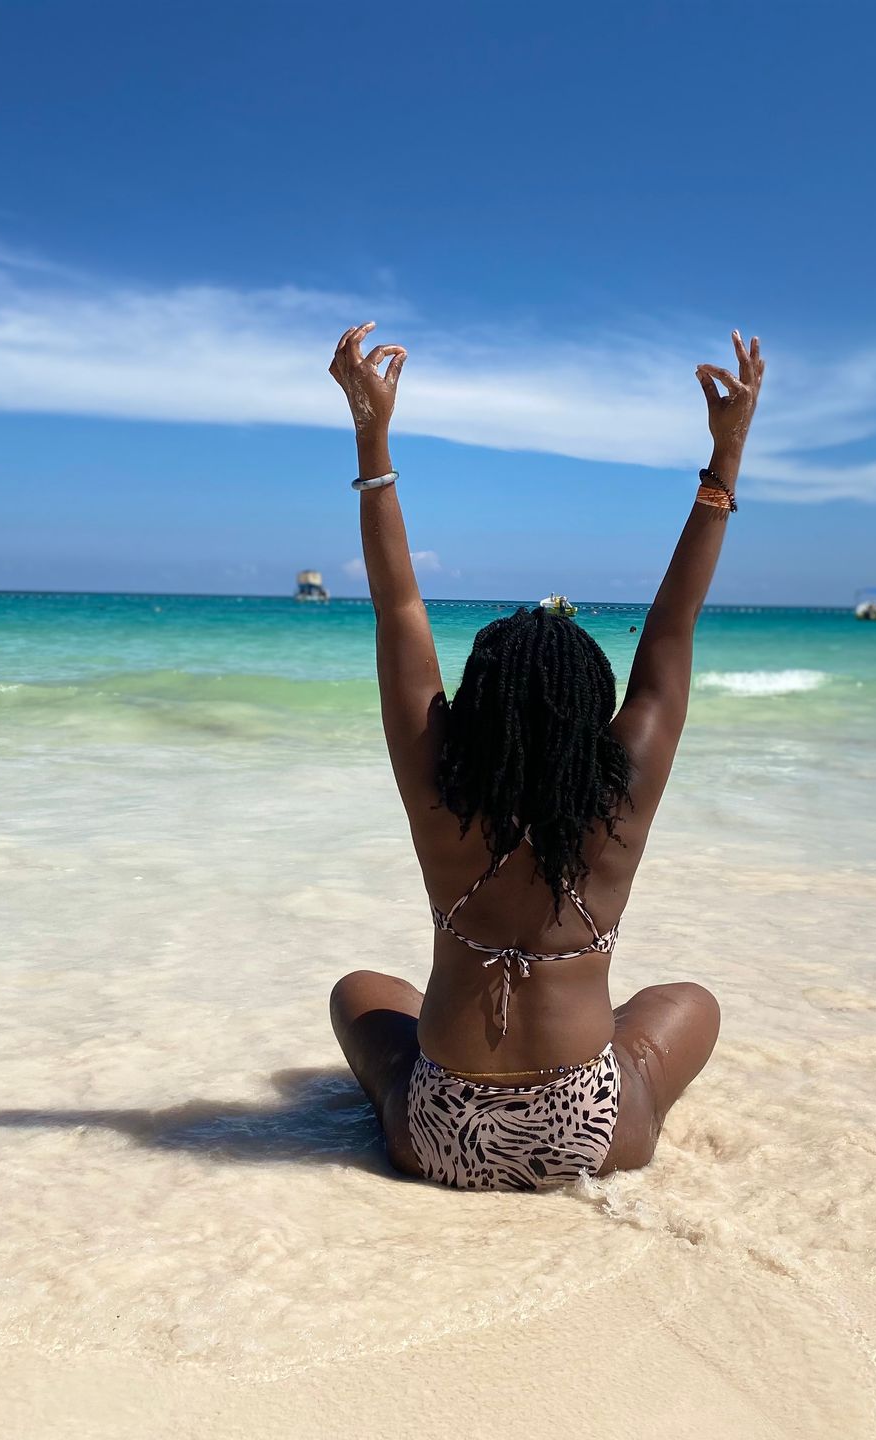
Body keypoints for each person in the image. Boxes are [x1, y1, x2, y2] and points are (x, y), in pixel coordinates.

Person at [328, 321, 762, 1190]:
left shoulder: (439, 789)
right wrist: (724, 466)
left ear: (475, 706)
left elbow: (399, 611)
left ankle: (413, 1105)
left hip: (437, 1135)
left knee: (359, 993)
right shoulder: (620, 801)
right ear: (590, 712)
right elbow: (671, 632)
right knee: (686, 1006)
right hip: (593, 1135)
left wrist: (373, 443)